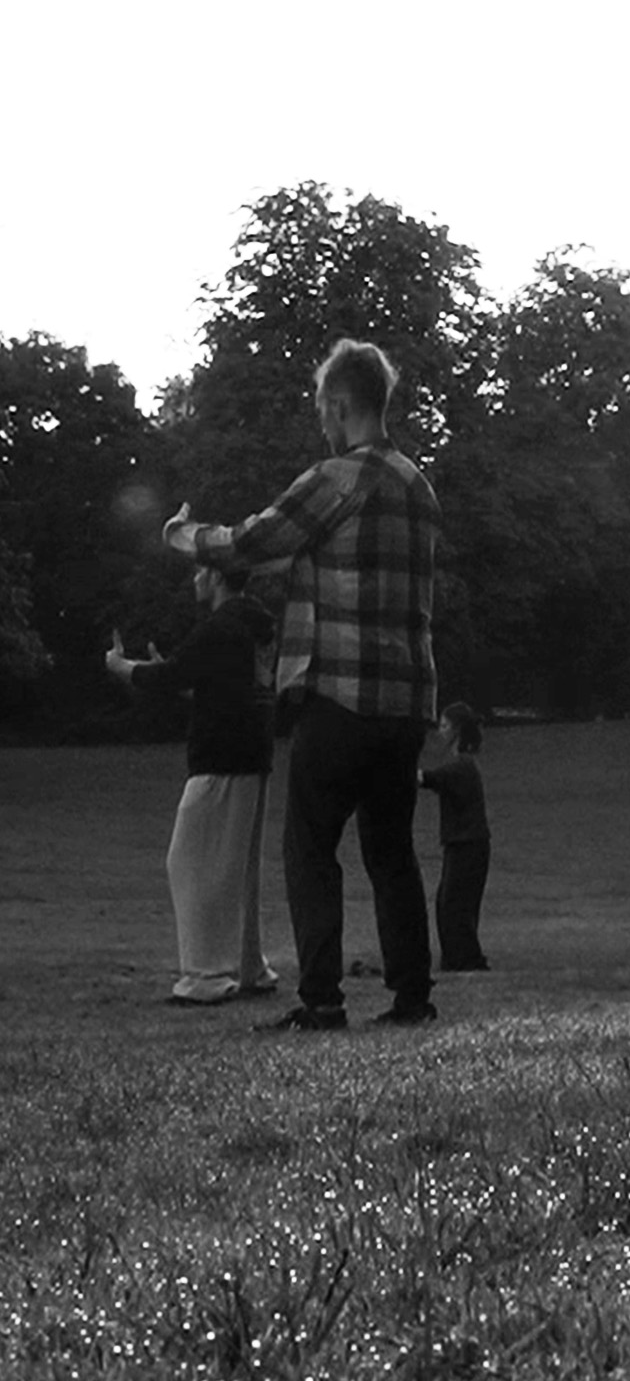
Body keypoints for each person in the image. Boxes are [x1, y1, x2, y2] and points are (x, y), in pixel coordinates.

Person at [163, 338, 440, 1031]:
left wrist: (184, 536)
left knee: (311, 847)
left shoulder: (336, 478)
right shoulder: (417, 484)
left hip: (338, 695)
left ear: (341, 404)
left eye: (323, 407)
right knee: (392, 851)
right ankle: (412, 998)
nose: (321, 419)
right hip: (406, 701)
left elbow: (255, 542)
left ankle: (321, 999)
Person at [106, 564, 280, 1005]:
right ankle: (248, 967)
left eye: (203, 570)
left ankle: (205, 976)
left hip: (220, 757)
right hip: (253, 755)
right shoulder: (258, 628)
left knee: (191, 863)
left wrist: (122, 666)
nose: (196, 579)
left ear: (218, 577)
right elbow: (224, 688)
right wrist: (184, 679)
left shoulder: (221, 627)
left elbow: (169, 677)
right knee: (238, 870)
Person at [417, 702, 494, 972]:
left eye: (445, 725)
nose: (440, 730)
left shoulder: (461, 767)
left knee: (454, 904)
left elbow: (427, 779)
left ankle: (465, 959)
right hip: (463, 843)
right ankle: (458, 958)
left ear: (457, 731)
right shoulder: (461, 765)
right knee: (451, 902)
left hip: (468, 844)